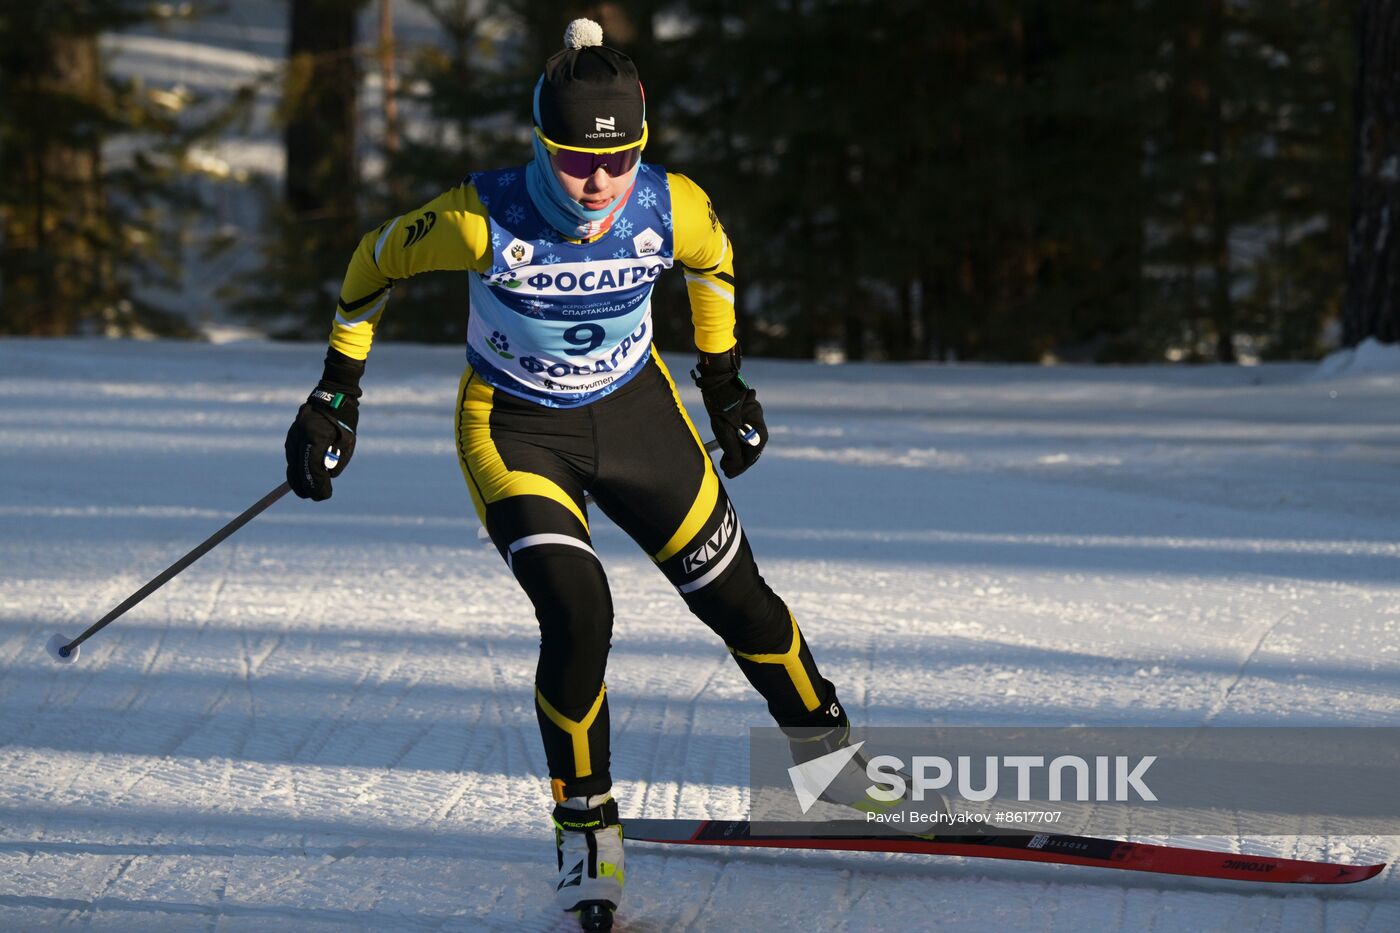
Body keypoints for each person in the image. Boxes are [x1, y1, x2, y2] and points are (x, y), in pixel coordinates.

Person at [283, 19, 854, 930]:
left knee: (739, 601)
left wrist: (725, 382)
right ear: (541, 145)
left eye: (620, 159)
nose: (598, 182)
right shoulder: (480, 216)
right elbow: (371, 262)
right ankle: (585, 824)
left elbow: (714, 266)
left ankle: (833, 764)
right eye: (575, 160)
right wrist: (335, 393)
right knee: (579, 609)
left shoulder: (673, 207)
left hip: (635, 415)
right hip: (514, 428)